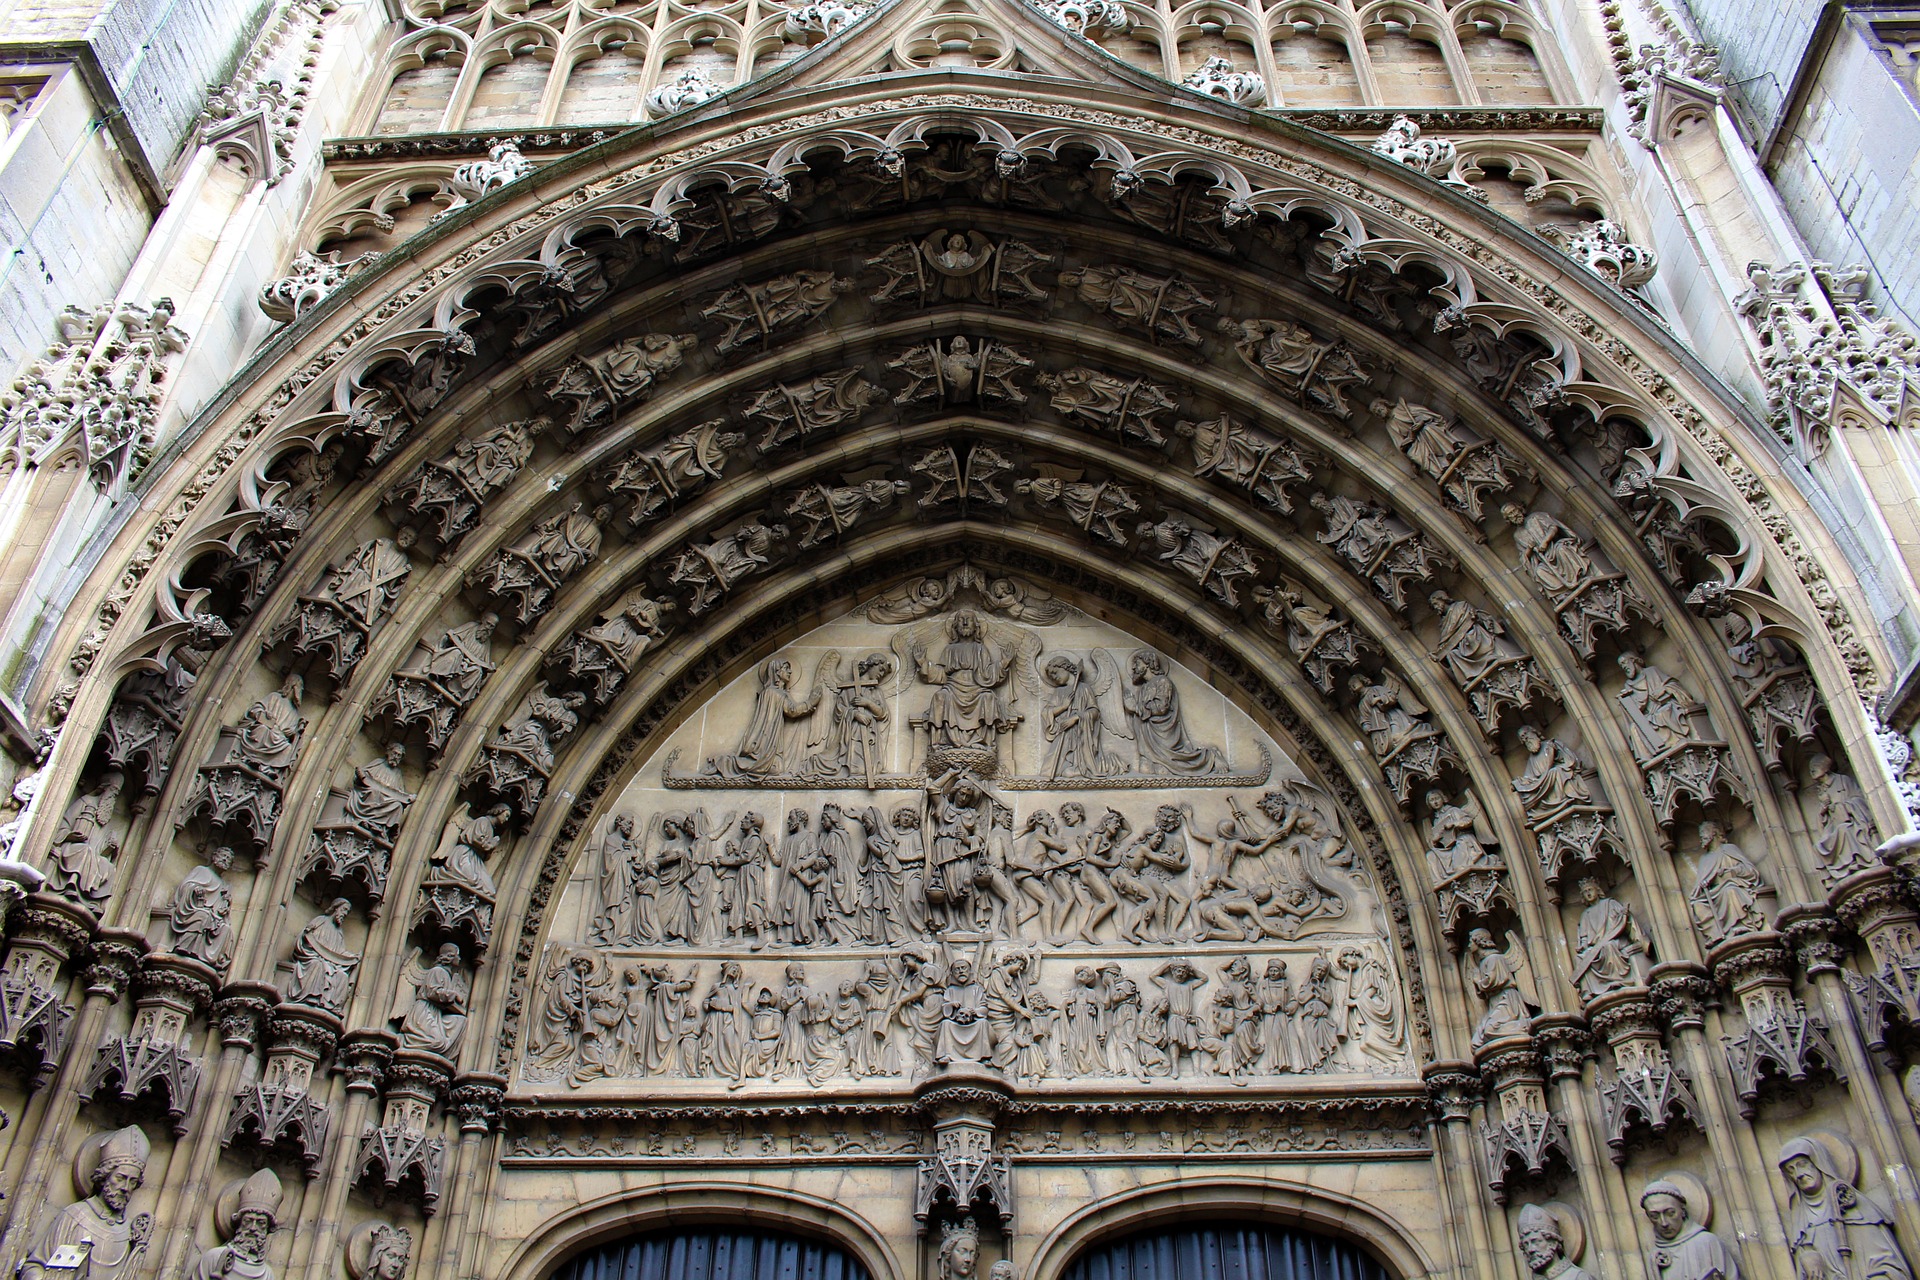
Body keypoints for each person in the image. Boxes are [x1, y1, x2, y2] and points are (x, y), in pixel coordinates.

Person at [20, 1125, 152, 1280]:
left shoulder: (130, 1232)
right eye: (120, 1178)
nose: (125, 1188)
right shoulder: (75, 1215)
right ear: (104, 1177)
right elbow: (33, 1267)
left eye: (133, 1181)